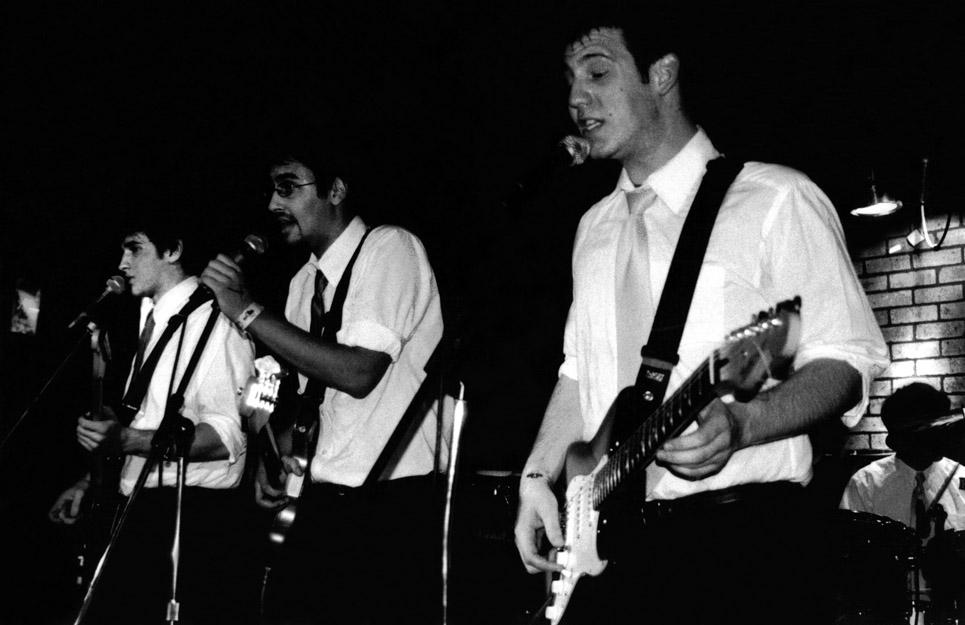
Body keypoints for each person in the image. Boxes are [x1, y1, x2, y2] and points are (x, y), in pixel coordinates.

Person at [512, 5, 889, 624]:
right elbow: (578, 373)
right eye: (569, 79)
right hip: (610, 547)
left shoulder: (775, 198)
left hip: (739, 540)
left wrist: (746, 422)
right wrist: (536, 479)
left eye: (598, 73)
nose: (576, 98)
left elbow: (847, 360)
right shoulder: (593, 227)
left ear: (662, 73)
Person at [201, 135, 446, 625]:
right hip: (324, 501)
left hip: (394, 501)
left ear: (335, 190)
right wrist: (273, 455)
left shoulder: (389, 248)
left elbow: (358, 372)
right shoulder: (301, 284)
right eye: (272, 190)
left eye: (288, 187)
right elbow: (309, 397)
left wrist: (247, 311)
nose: (273, 204)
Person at [48, 215, 257, 624]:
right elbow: (147, 420)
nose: (122, 263)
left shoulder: (213, 322)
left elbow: (224, 438)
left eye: (134, 248)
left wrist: (126, 440)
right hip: (139, 506)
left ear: (173, 250)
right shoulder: (155, 319)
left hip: (186, 515)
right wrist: (90, 481)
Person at [840, 383, 964, 622]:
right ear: (897, 439)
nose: (941, 436)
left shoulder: (962, 477)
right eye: (931, 428)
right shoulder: (865, 483)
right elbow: (849, 560)